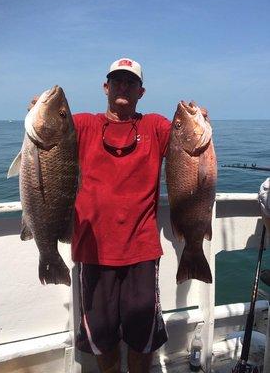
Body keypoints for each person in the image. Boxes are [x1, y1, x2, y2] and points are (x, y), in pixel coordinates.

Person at [71, 58, 172, 373]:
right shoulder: (84, 124)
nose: (123, 86)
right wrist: (36, 111)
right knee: (103, 340)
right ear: (106, 87)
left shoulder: (155, 126)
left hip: (141, 251)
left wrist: (202, 123)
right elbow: (48, 133)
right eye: (117, 80)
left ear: (141, 91)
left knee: (141, 340)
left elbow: (191, 147)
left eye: (130, 82)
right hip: (93, 251)